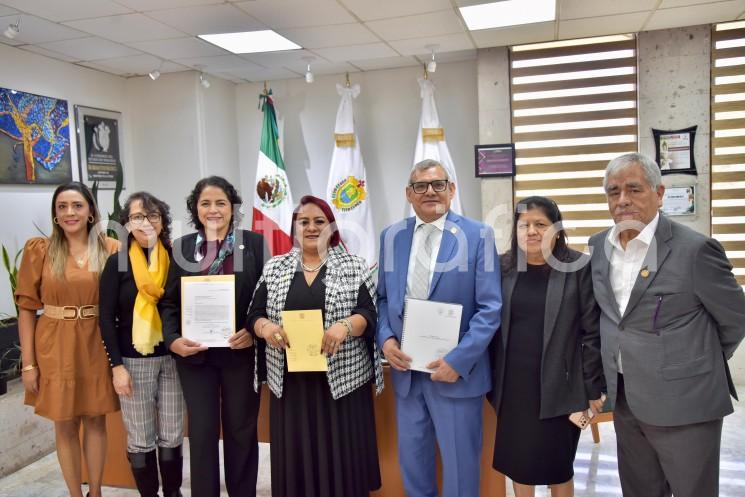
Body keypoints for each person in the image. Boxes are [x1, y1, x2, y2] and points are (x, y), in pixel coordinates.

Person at [589, 152, 745, 497]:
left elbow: (735, 316)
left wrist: (693, 360)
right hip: (627, 398)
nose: (623, 200)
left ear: (658, 194)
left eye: (634, 189)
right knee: (640, 489)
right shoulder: (600, 246)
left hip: (686, 401)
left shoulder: (695, 250)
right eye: (614, 192)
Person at [377, 159, 502, 497]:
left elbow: (490, 308)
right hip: (406, 375)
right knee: (413, 465)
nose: (430, 191)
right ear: (409, 193)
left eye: (438, 184)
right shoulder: (391, 237)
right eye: (421, 186)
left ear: (452, 189)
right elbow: (382, 300)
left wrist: (458, 361)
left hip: (456, 376)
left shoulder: (478, 235)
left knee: (461, 471)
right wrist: (386, 340)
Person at [248, 195, 383, 497]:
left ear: (332, 226)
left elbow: (369, 313)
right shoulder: (275, 267)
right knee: (298, 458)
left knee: (343, 459)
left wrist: (345, 326)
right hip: (291, 385)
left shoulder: (353, 265)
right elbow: (254, 315)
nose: (311, 227)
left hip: (342, 384)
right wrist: (266, 327)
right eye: (304, 221)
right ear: (294, 227)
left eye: (319, 221)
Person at [489, 196, 604, 497]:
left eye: (540, 224)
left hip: (561, 386)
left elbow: (592, 332)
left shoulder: (578, 267)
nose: (531, 231)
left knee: (558, 466)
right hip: (513, 386)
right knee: (518, 464)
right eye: (524, 224)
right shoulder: (502, 266)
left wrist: (593, 387)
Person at [159, 176, 267, 497]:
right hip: (195, 358)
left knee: (241, 430)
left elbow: (266, 296)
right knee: (203, 433)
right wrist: (173, 340)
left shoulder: (255, 244)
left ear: (233, 208)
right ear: (196, 208)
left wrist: (252, 331)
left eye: (221, 202)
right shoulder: (181, 248)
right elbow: (168, 301)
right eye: (205, 203)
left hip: (240, 354)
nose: (213, 209)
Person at [15, 181, 120, 497]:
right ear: (55, 214)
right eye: (62, 207)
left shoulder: (112, 249)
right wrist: (29, 365)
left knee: (96, 420)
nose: (70, 212)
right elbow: (25, 309)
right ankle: (76, 493)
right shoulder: (40, 251)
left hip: (97, 341)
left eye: (77, 205)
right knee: (65, 423)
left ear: (90, 212)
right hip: (55, 343)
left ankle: (96, 491)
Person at [99, 192, 184, 497]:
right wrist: (116, 367)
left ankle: (173, 493)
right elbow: (106, 318)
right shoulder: (117, 263)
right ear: (126, 223)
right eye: (138, 217)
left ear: (162, 222)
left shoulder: (177, 258)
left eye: (153, 216)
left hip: (174, 359)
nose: (146, 222)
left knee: (173, 434)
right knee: (140, 438)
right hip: (132, 361)